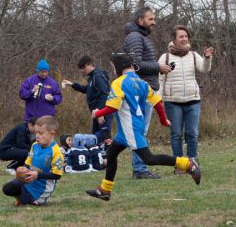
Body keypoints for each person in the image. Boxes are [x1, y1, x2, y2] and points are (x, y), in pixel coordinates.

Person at [85, 53, 201, 201]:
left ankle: (187, 163)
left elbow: (113, 107)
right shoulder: (141, 82)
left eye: (113, 67)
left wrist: (97, 113)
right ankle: (105, 190)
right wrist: (163, 119)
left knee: (149, 159)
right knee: (112, 153)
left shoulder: (118, 83)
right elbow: (157, 102)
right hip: (131, 128)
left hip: (130, 129)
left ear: (118, 67)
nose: (113, 70)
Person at [121, 6, 172, 179]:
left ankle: (140, 168)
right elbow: (135, 64)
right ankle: (140, 169)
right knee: (139, 132)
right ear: (140, 20)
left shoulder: (139, 37)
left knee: (139, 131)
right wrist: (158, 66)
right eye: (150, 19)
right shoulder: (135, 37)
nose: (154, 22)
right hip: (140, 91)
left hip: (145, 90)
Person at [157, 25, 214, 160]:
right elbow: (159, 80)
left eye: (186, 36)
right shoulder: (165, 58)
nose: (184, 39)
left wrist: (207, 58)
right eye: (181, 36)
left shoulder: (193, 55)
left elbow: (204, 69)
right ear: (174, 39)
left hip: (193, 100)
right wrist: (158, 100)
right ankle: (179, 164)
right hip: (172, 102)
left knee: (192, 133)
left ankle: (193, 162)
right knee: (176, 134)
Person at [2, 116, 64, 206]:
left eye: (41, 133)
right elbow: (27, 164)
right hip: (29, 181)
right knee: (8, 188)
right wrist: (22, 169)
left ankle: (32, 200)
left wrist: (37, 175)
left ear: (52, 134)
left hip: (41, 189)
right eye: (36, 133)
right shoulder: (35, 146)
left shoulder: (56, 151)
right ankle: (20, 199)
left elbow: (57, 175)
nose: (37, 136)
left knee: (25, 199)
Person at [62, 56, 112, 143]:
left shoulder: (97, 77)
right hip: (96, 112)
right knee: (95, 139)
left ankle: (107, 156)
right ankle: (97, 155)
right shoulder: (92, 78)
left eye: (83, 68)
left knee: (105, 137)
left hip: (102, 112)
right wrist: (72, 84)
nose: (82, 70)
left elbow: (105, 94)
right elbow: (87, 89)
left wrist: (100, 112)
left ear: (89, 64)